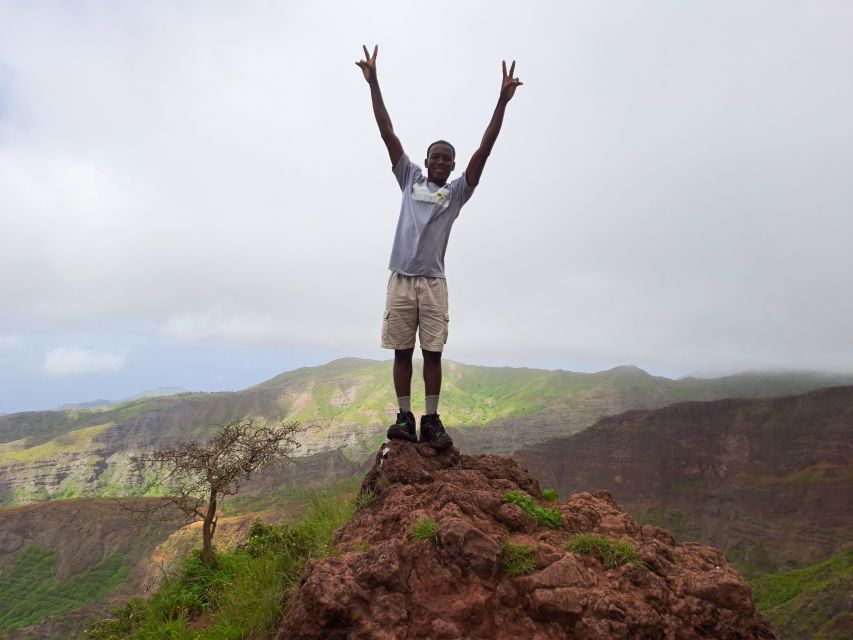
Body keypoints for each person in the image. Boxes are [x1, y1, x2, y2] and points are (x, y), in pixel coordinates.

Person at [356, 44, 522, 449]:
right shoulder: (409, 177)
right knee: (401, 352)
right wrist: (374, 82)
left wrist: (501, 102)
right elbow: (386, 131)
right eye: (437, 156)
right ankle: (403, 417)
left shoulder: (456, 193)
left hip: (432, 282)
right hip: (400, 279)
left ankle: (431, 420)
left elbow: (486, 149)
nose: (443, 162)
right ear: (426, 160)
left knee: (431, 353)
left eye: (449, 158)